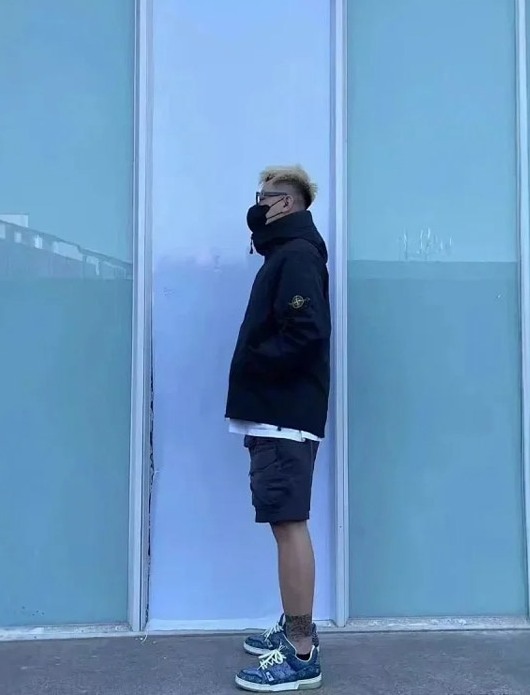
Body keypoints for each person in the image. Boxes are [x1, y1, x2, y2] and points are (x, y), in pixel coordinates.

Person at [226, 165, 331, 692]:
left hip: (285, 415)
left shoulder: (296, 256)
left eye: (263, 197)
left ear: (285, 204)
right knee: (284, 523)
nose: (257, 206)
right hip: (279, 413)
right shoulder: (287, 254)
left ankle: (300, 652)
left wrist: (253, 363)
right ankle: (294, 629)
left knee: (289, 525)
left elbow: (306, 331)